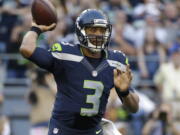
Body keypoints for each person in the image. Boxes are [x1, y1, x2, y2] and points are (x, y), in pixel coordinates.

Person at [20, 9, 139, 135]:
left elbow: (134, 108)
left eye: (102, 30)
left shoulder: (116, 61)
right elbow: (27, 49)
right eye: (93, 30)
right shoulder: (65, 54)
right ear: (80, 31)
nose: (98, 34)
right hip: (63, 130)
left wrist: (125, 92)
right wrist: (35, 29)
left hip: (94, 131)